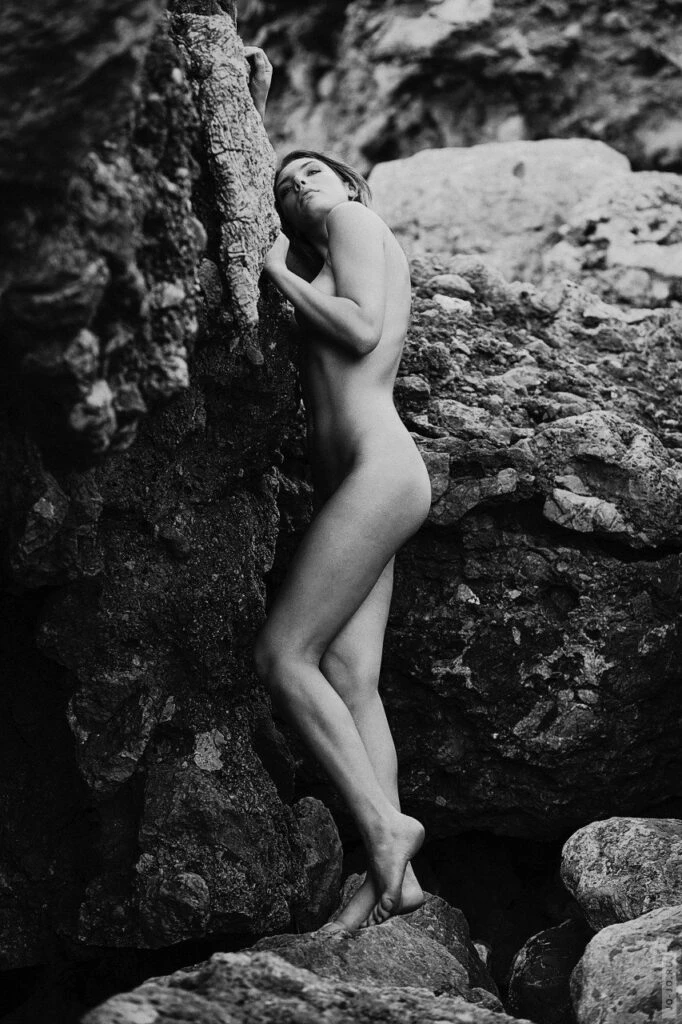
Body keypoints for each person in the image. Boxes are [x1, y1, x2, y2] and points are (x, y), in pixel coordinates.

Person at [246, 46, 432, 930]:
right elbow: (255, 181)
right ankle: (391, 883)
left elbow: (359, 331)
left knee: (282, 655)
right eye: (286, 188)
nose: (299, 187)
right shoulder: (328, 248)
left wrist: (276, 272)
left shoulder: (356, 223)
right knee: (353, 678)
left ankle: (387, 828)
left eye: (314, 173)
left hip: (378, 472)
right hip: (365, 487)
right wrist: (252, 104)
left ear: (351, 184)